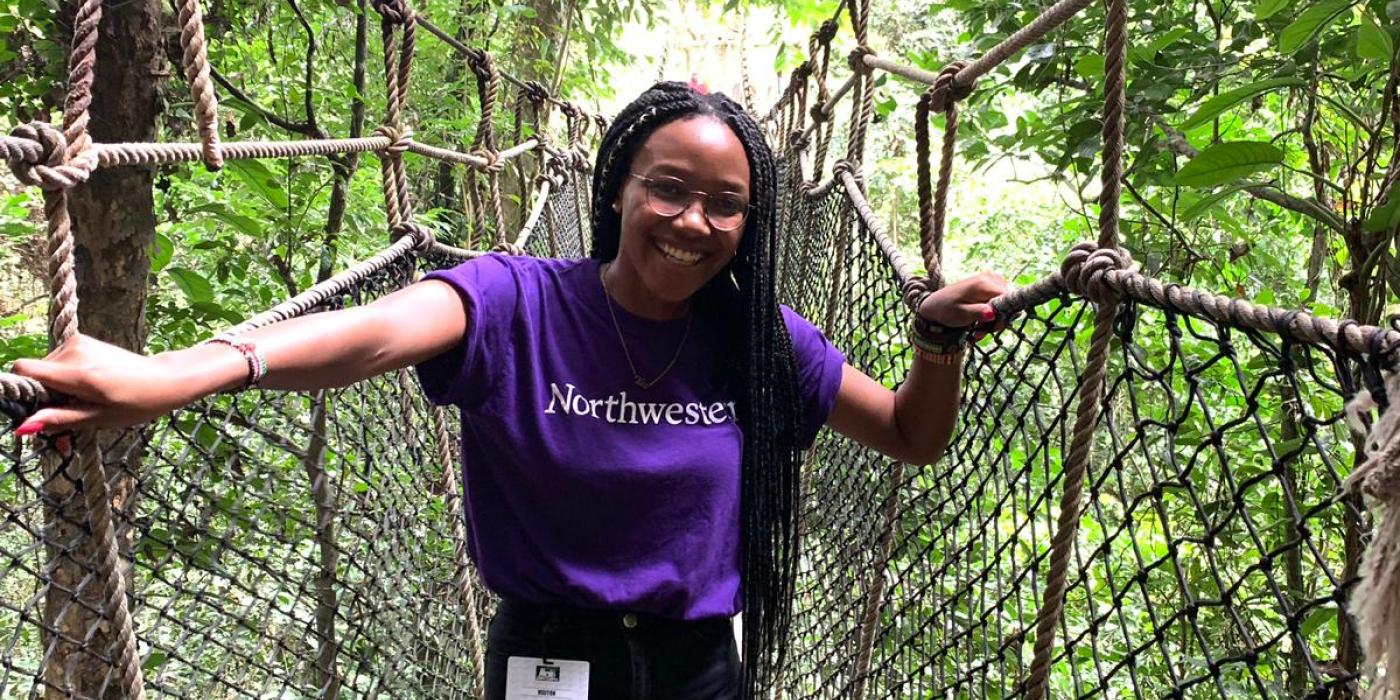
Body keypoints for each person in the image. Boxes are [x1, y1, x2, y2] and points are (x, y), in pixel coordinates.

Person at [10, 82, 1008, 700]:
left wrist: (934, 340)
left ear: (751, 223)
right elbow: (370, 336)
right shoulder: (513, 298)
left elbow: (910, 436)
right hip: (545, 659)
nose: (692, 222)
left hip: (700, 666)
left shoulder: (757, 342)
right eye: (667, 188)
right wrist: (170, 377)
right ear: (613, 187)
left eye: (725, 205)